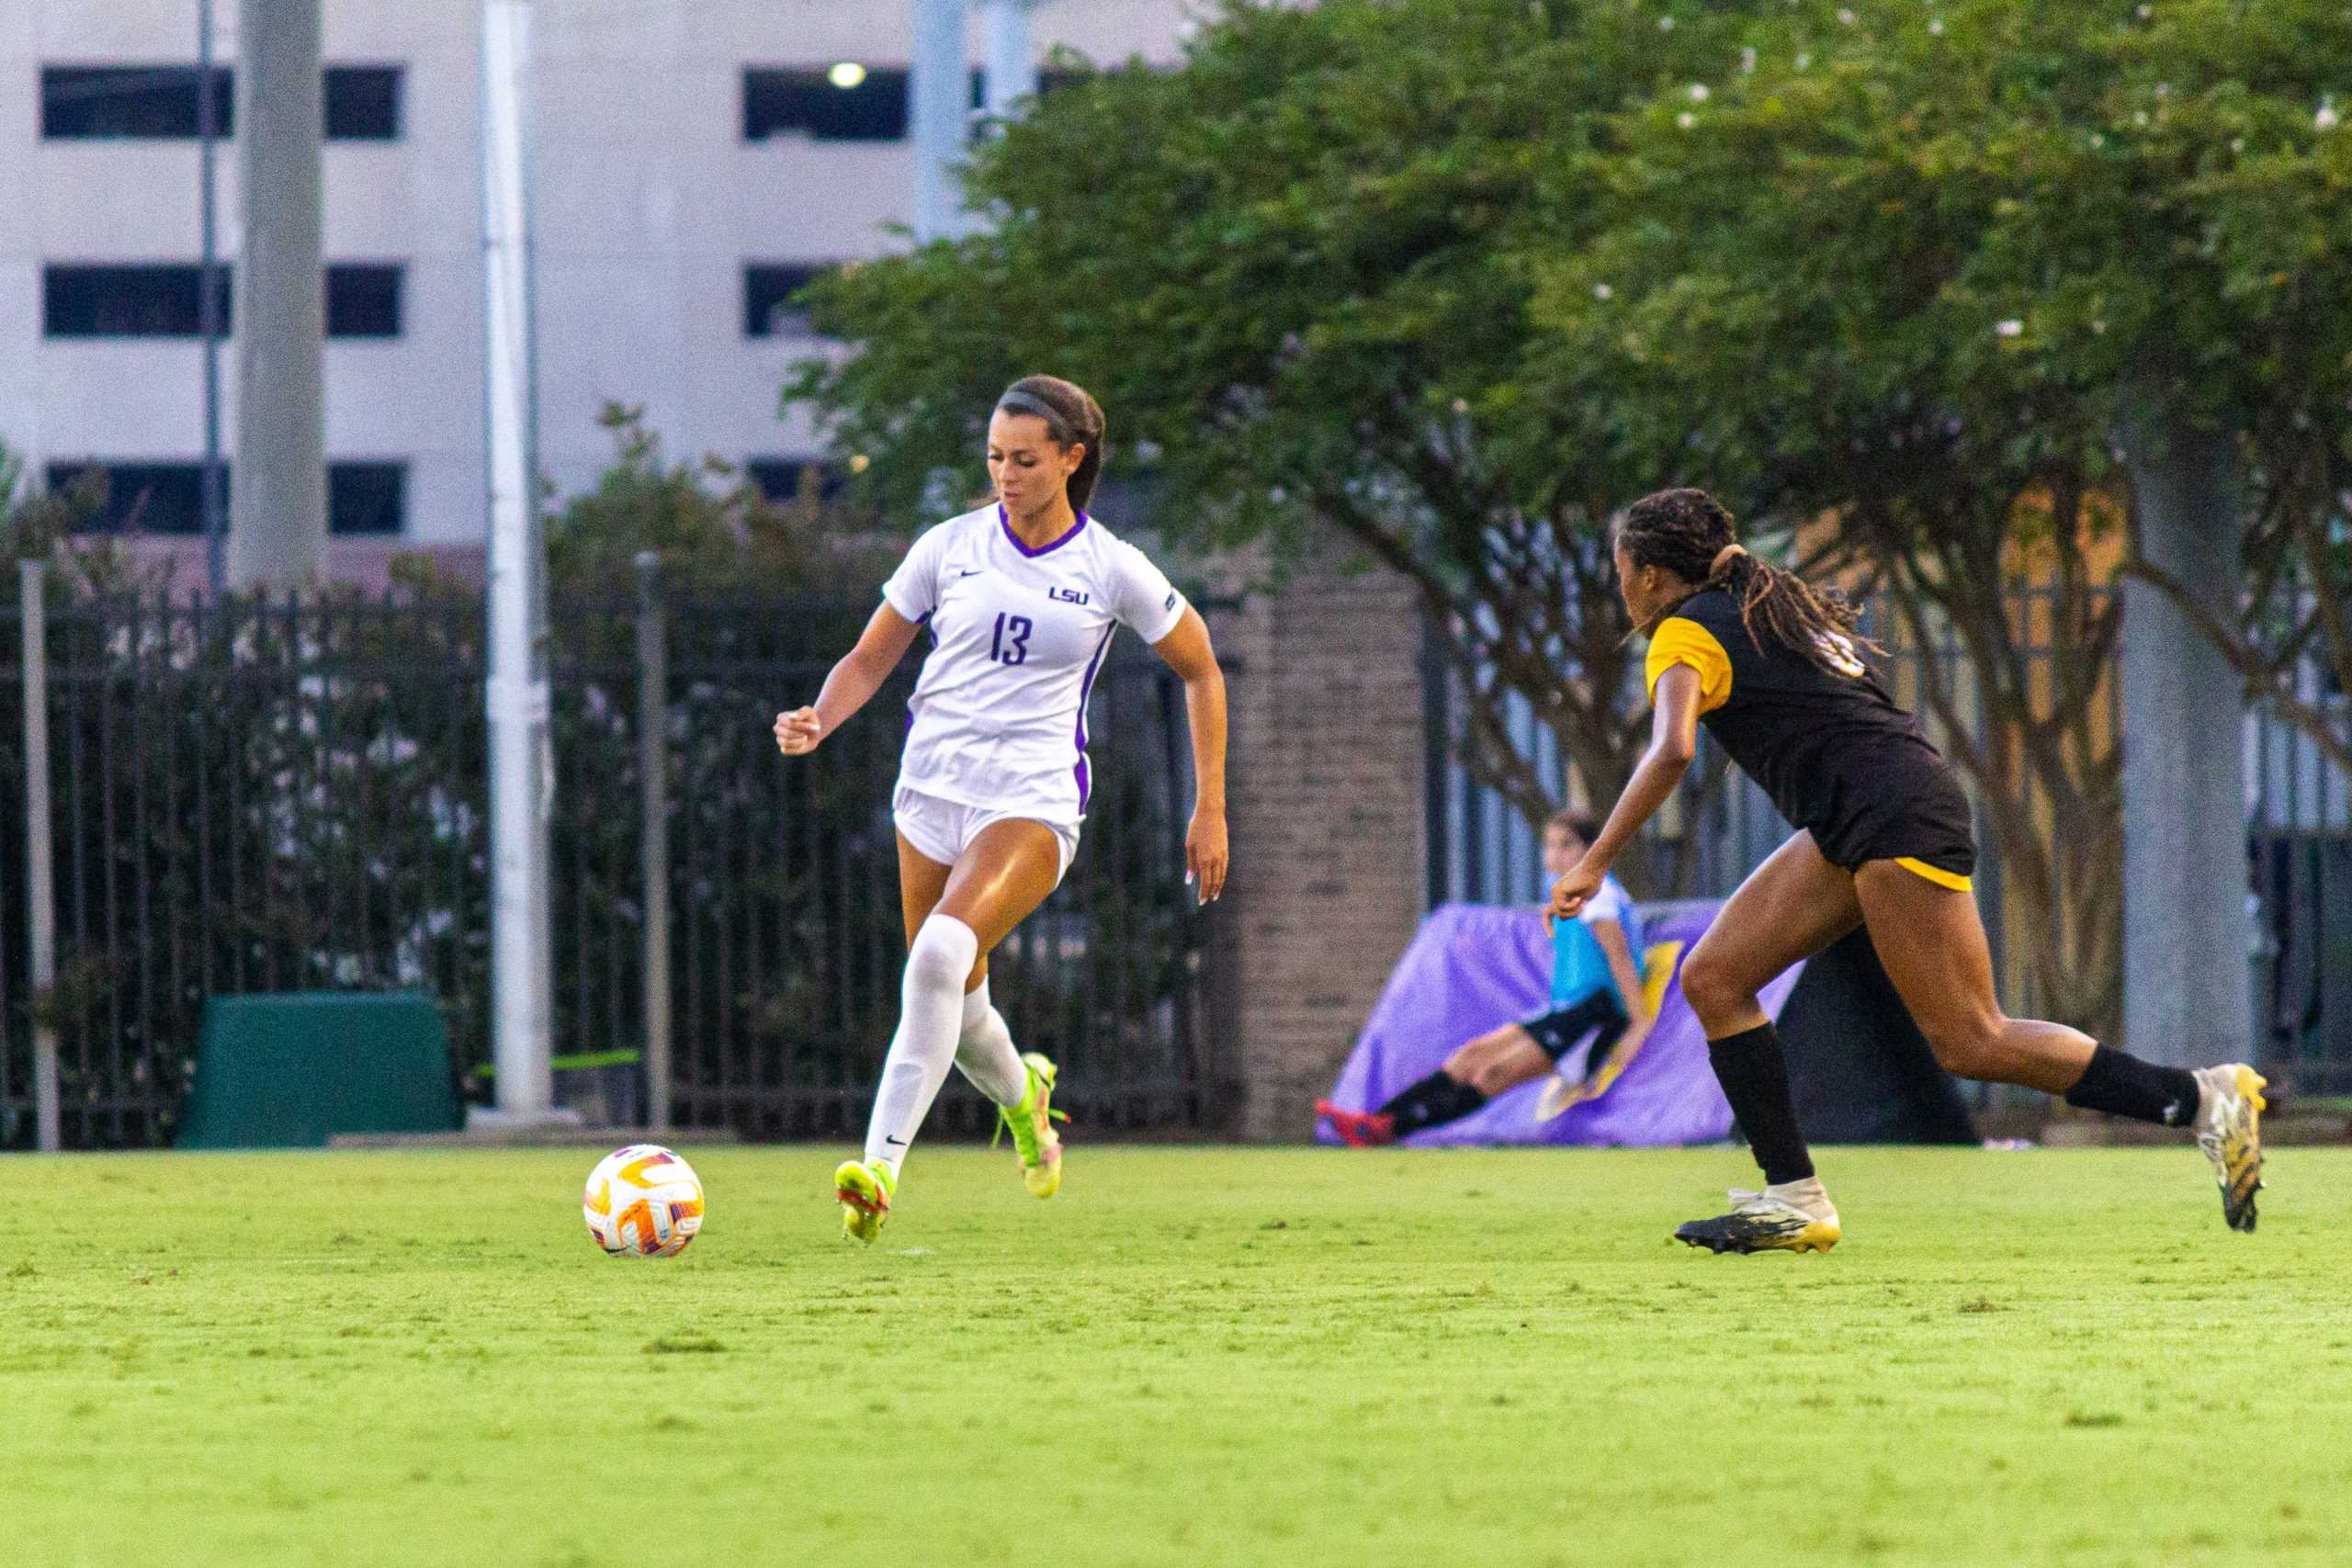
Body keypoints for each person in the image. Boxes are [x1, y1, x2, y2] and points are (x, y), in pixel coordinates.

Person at [1550, 487, 2266, 1254]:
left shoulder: (1683, 631)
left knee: (1971, 1039)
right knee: (1716, 976)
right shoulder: (1763, 608)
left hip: (1890, 816)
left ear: (1654, 576)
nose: (1621, 589)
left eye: (1622, 571)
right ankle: (1794, 1198)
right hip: (1861, 815)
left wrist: (1594, 861)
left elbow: (1673, 748)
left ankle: (2200, 1098)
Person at [775, 375, 1230, 1243]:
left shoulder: (1111, 567)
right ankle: (1027, 1102)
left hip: (1032, 800)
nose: (1007, 474)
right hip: (930, 792)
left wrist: (1210, 808)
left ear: (1071, 459)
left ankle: (877, 1171)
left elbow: (1202, 669)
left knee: (943, 949)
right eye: (995, 457)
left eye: (1025, 459)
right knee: (957, 987)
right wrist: (818, 719)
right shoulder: (949, 546)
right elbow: (870, 659)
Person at [1317, 812, 1652, 1145]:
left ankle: (1387, 1130)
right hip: (1566, 1008)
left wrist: (1638, 1023)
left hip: (1594, 1014)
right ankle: (1375, 1120)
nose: (1556, 854)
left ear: (1590, 851)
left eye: (1567, 845)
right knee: (1471, 1056)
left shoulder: (1598, 894)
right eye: (1550, 845)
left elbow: (1619, 956)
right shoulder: (1567, 893)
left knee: (1494, 1074)